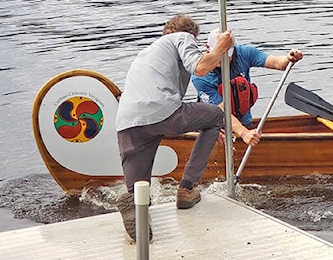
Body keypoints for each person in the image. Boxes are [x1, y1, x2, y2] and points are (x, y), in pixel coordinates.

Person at [114, 15, 258, 241]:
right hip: (162, 111)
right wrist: (219, 49)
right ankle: (187, 188)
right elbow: (200, 67)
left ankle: (133, 203)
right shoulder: (181, 38)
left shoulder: (145, 54)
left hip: (127, 122)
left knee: (138, 191)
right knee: (216, 116)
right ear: (191, 36)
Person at [192, 30, 304, 128]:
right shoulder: (200, 76)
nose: (224, 59)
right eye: (220, 54)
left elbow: (277, 63)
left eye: (227, 55)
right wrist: (244, 133)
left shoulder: (244, 53)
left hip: (245, 124)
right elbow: (221, 113)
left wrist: (289, 58)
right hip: (215, 130)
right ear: (208, 49)